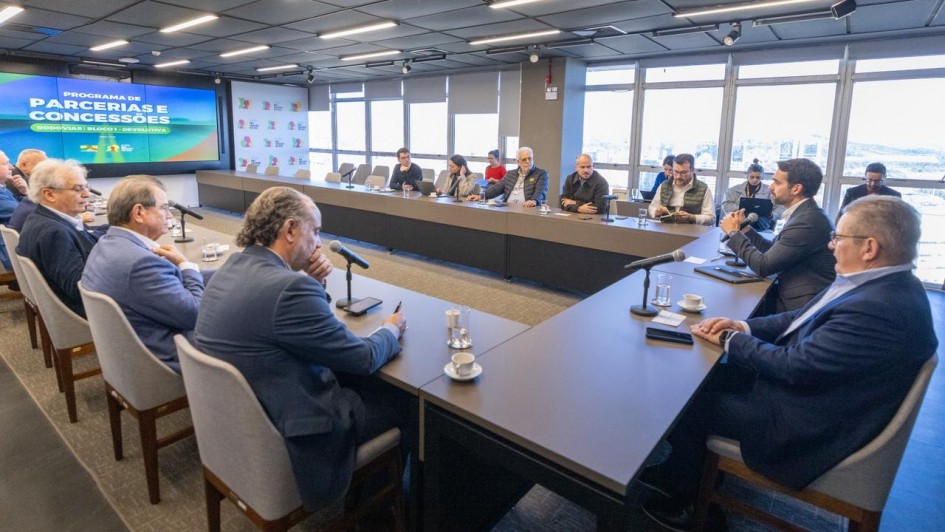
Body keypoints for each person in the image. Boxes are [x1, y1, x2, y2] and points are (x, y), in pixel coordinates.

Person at [642, 196, 938, 531]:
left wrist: (729, 340)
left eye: (838, 238)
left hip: (808, 424)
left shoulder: (880, 309)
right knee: (708, 378)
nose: (831, 246)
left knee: (686, 402)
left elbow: (793, 366)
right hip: (818, 396)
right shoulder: (885, 286)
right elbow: (802, 318)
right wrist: (743, 326)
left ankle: (693, 503)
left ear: (870, 248)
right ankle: (683, 472)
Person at [195, 187, 407, 511]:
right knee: (405, 403)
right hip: (299, 429)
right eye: (316, 231)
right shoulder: (290, 288)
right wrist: (391, 329)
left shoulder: (230, 269)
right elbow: (362, 357)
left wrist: (314, 283)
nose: (319, 243)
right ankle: (377, 511)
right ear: (290, 229)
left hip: (242, 421)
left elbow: (294, 326)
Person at [81, 175, 205, 373]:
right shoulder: (141, 263)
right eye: (164, 208)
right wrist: (186, 265)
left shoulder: (106, 244)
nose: (170, 216)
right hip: (167, 359)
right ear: (138, 213)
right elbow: (195, 314)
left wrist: (194, 270)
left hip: (128, 353)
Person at [722, 158, 836, 312]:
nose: (770, 187)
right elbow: (772, 249)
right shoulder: (805, 213)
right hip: (790, 293)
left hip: (799, 307)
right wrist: (745, 229)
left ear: (796, 189)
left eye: (776, 182)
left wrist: (733, 233)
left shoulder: (807, 221)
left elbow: (763, 266)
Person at [16, 159, 98, 317]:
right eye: (78, 189)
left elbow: (84, 237)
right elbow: (79, 287)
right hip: (86, 314)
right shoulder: (54, 232)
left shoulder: (42, 217)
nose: (87, 194)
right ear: (49, 194)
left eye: (86, 187)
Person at [467, 147, 548, 207]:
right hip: (507, 208)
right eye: (524, 159)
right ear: (518, 161)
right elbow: (497, 188)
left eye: (530, 159)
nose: (528, 162)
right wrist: (480, 196)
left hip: (526, 209)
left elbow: (541, 192)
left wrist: (534, 201)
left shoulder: (541, 174)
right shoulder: (510, 174)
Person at [648, 153, 715, 225]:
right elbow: (652, 207)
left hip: (691, 230)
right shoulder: (664, 185)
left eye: (683, 173)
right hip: (666, 228)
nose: (678, 177)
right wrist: (656, 211)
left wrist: (691, 217)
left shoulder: (703, 189)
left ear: (692, 171)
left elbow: (711, 218)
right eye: (676, 172)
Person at [720, 159, 785, 231]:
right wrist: (741, 208)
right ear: (747, 176)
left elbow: (781, 207)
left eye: (758, 177)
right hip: (739, 222)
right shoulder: (734, 190)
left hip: (761, 224)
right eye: (752, 177)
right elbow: (726, 205)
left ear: (762, 177)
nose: (755, 180)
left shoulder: (770, 191)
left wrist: (772, 215)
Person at [0, 150, 22, 271]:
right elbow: (23, 213)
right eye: (6, 163)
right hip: (10, 256)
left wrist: (24, 192)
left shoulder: (3, 189)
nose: (12, 167)